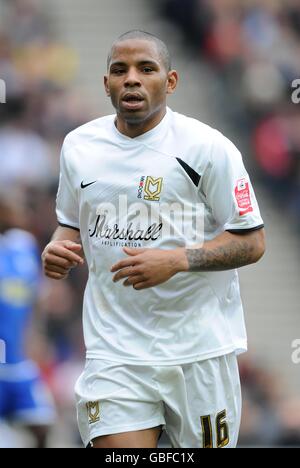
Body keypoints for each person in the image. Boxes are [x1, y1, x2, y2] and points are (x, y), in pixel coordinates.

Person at [42, 30, 266, 449]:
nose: (131, 79)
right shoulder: (79, 147)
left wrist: (178, 260)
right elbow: (69, 221)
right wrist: (58, 245)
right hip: (116, 352)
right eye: (119, 70)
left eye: (146, 69)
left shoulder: (209, 149)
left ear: (171, 81)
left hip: (198, 350)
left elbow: (252, 242)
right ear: (105, 83)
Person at [0, 192, 55, 448]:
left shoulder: (23, 245)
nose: (20, 211)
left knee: (43, 426)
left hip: (19, 358)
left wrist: (36, 334)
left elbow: (35, 297)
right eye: (13, 205)